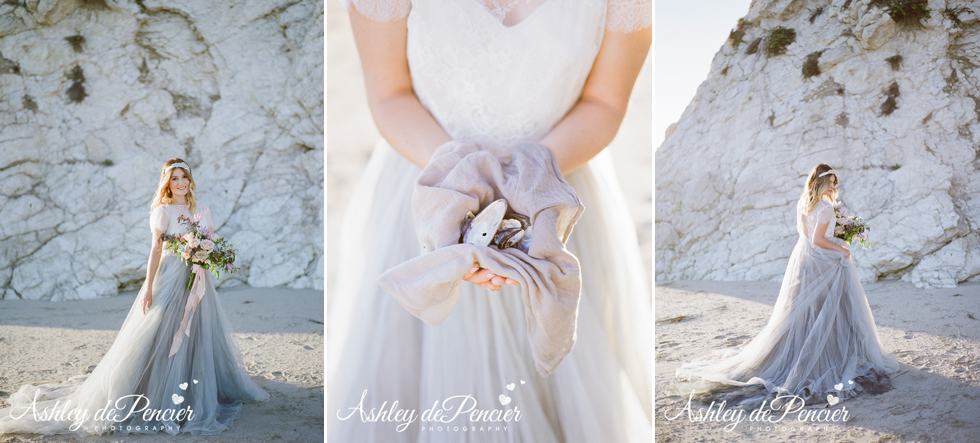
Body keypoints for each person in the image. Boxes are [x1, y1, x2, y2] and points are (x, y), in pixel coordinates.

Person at [328, 1, 653, 441]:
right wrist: (464, 184)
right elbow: (390, 93)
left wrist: (529, 182)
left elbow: (605, 101)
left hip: (557, 184)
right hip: (431, 177)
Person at [0, 158, 268, 436]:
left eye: (183, 177)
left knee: (199, 331)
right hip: (169, 277)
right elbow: (155, 251)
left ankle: (199, 388)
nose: (180, 183)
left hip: (196, 280)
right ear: (167, 183)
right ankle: (154, 388)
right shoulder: (162, 211)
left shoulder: (201, 209)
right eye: (174, 178)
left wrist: (205, 254)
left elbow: (210, 241)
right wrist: (149, 287)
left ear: (190, 180)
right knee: (161, 328)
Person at [673, 164, 898, 409]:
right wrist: (841, 248)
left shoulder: (804, 203)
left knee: (806, 311)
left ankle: (807, 351)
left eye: (836, 182)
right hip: (823, 263)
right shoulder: (824, 207)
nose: (834, 186)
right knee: (828, 309)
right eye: (831, 182)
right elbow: (818, 239)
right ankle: (827, 357)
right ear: (820, 183)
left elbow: (805, 236)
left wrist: (841, 233)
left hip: (805, 261)